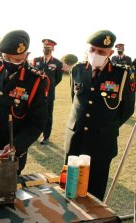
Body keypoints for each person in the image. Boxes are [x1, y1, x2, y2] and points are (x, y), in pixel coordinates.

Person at [64, 30, 135, 201]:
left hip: (102, 142)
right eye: (92, 49)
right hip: (76, 137)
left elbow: (127, 109)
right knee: (69, 187)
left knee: (94, 193)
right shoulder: (78, 69)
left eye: (101, 52)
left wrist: (106, 126)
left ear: (110, 53)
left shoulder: (123, 74)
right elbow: (76, 100)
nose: (95, 54)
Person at [0, 30, 50, 175]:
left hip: (10, 149)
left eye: (17, 60)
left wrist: (17, 146)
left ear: (27, 55)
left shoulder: (37, 80)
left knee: (5, 191)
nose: (11, 63)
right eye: (7, 58)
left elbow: (38, 122)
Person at [33, 39, 63, 145]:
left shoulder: (57, 63)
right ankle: (34, 135)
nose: (46, 50)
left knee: (47, 115)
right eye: (44, 48)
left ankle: (46, 137)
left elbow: (58, 78)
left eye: (48, 48)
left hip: (49, 94)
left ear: (52, 49)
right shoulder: (36, 60)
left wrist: (49, 86)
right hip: (36, 93)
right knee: (34, 114)